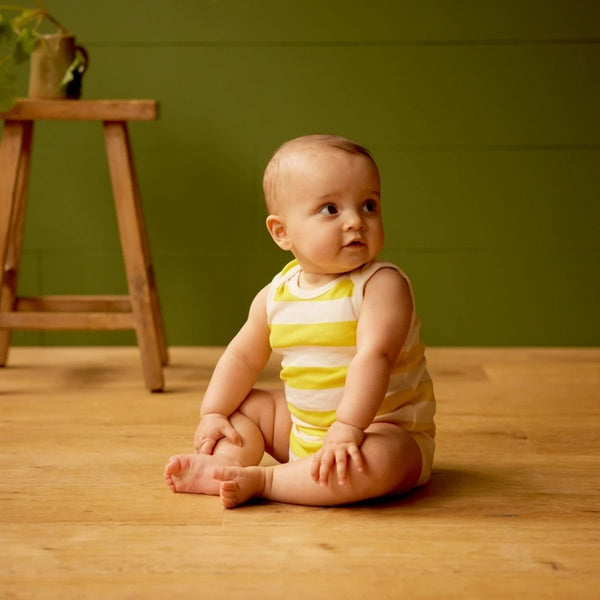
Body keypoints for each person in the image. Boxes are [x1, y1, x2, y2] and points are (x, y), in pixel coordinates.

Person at [164, 134, 436, 508]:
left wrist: (348, 428)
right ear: (282, 232)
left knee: (385, 460)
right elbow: (241, 358)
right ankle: (224, 466)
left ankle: (266, 480)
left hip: (378, 429)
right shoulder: (276, 295)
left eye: (369, 205)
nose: (356, 221)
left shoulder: (381, 285)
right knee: (247, 408)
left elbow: (375, 356)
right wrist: (213, 412)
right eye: (330, 209)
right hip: (302, 428)